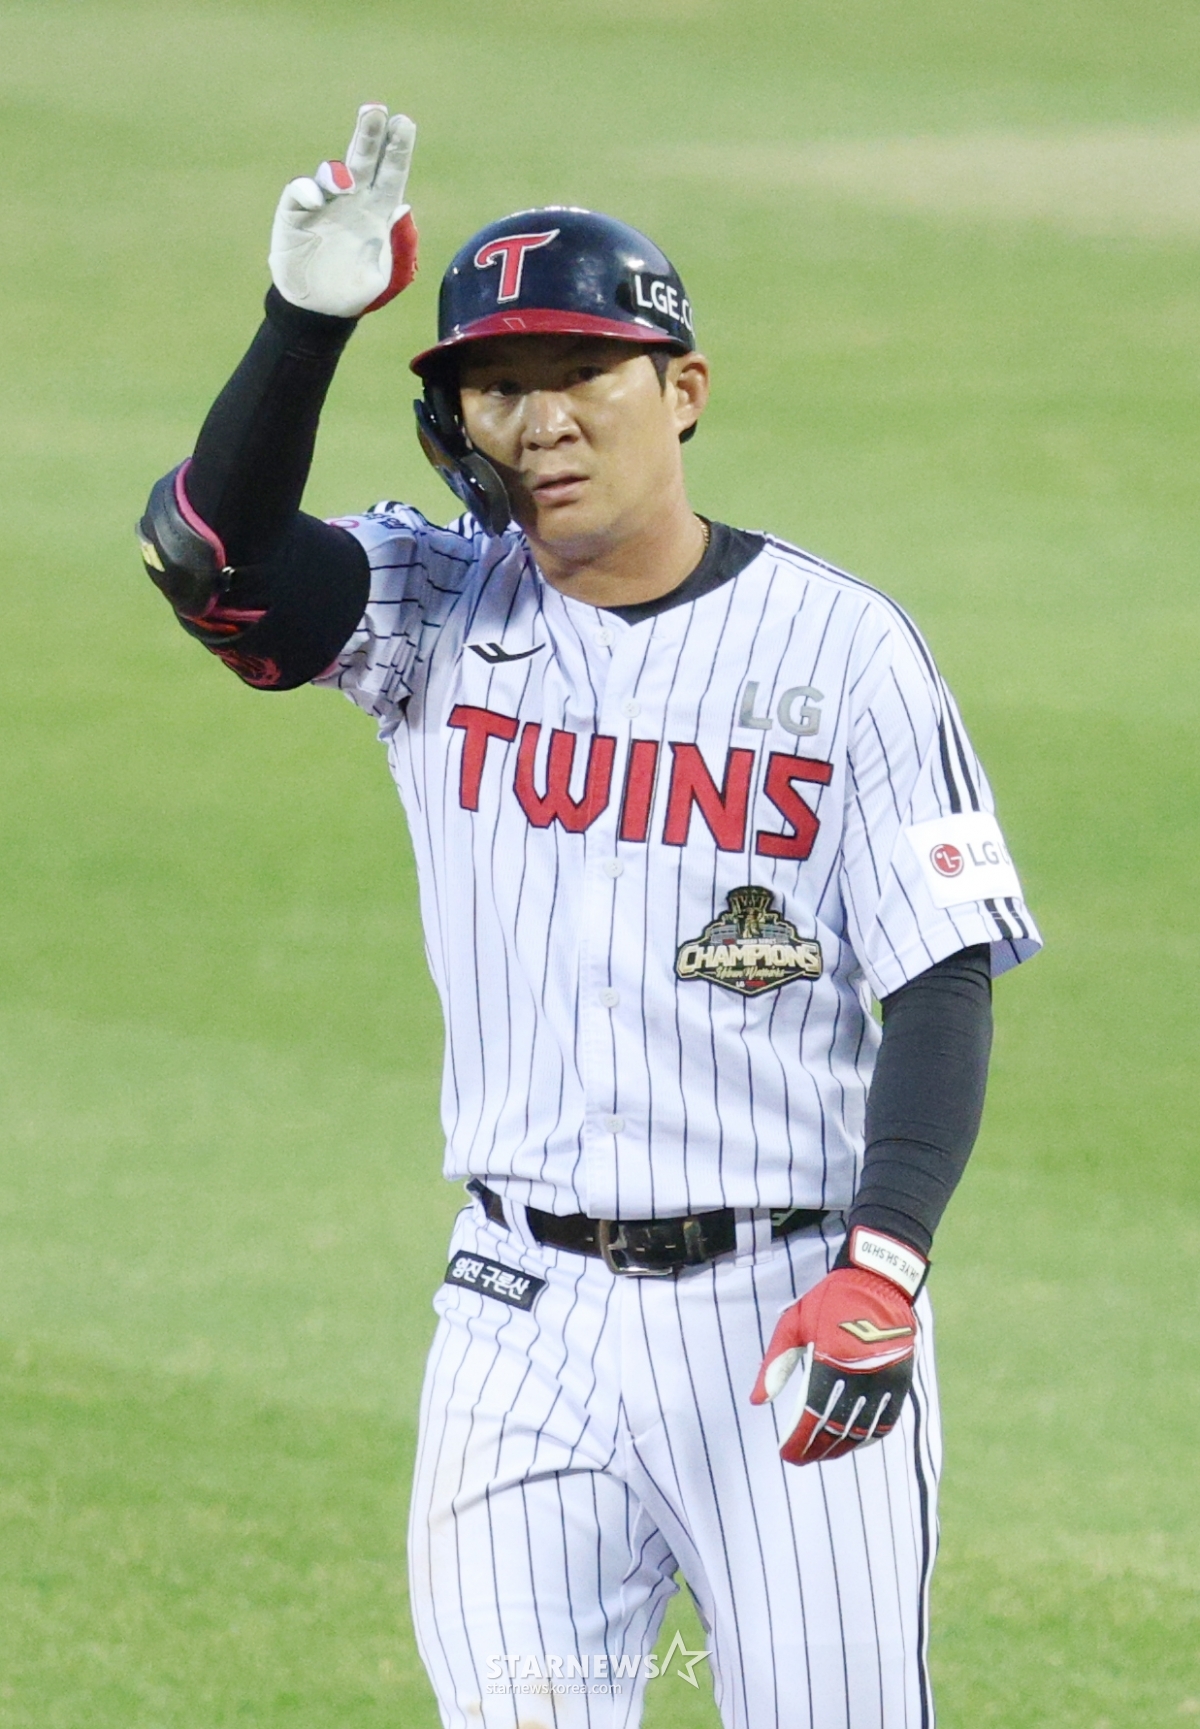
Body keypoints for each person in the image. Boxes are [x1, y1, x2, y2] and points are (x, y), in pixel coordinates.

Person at [138, 105, 1041, 1729]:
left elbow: (945, 974)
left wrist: (886, 1266)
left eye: (582, 375)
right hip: (518, 1323)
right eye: (496, 385)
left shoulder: (844, 651)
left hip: (786, 1315)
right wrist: (303, 323)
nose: (537, 420)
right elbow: (211, 559)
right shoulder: (428, 604)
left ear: (681, 391)